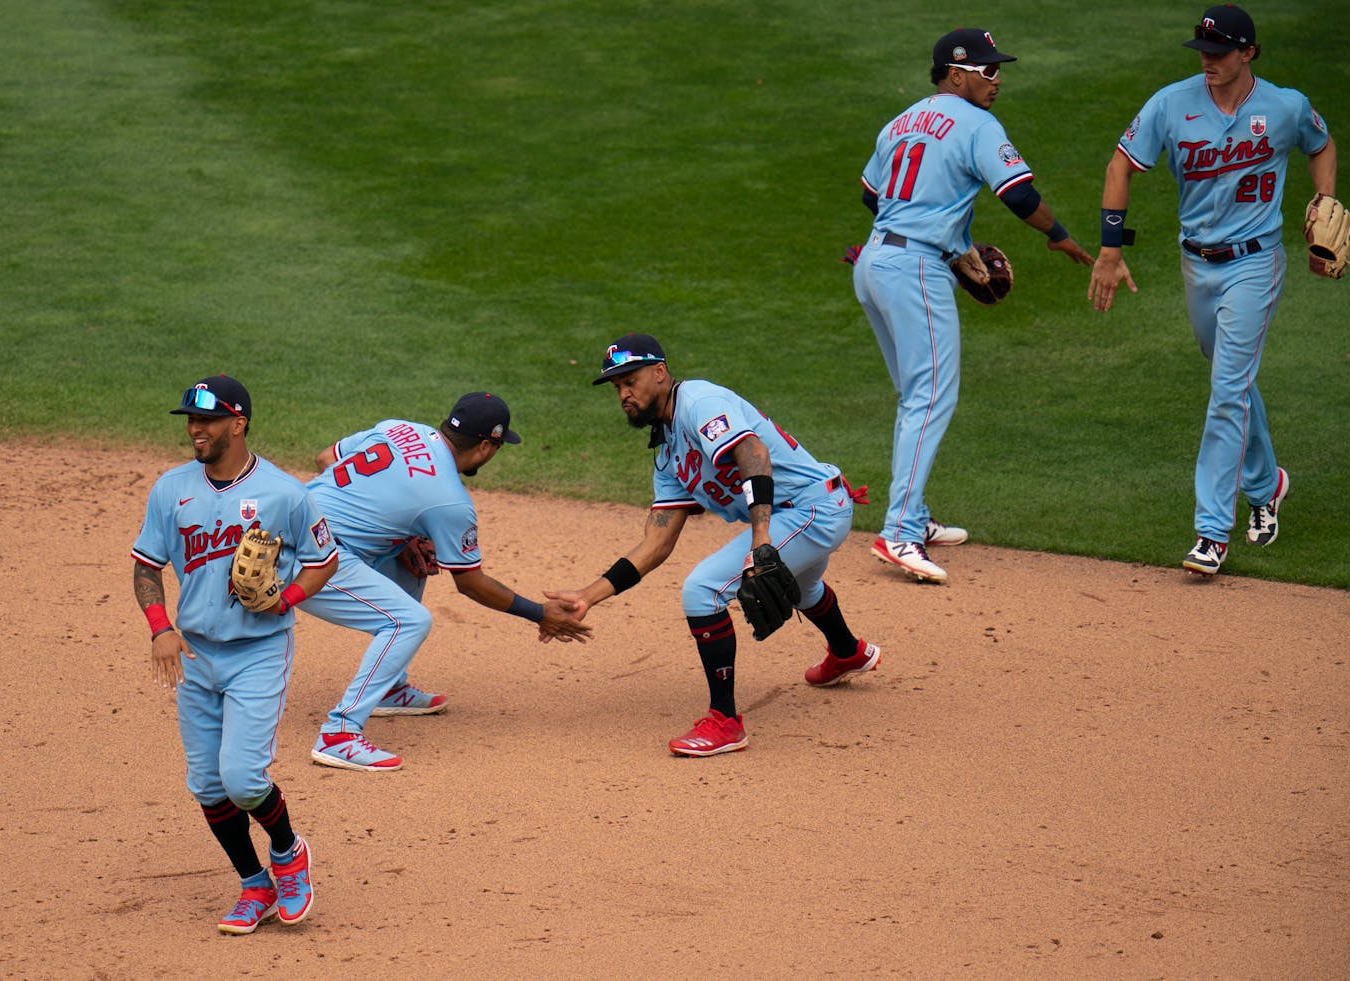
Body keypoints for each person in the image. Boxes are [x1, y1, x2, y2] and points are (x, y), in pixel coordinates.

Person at [1087, 4, 1336, 576]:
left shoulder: (1284, 106)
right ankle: (1266, 482)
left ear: (1248, 53)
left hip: (1255, 263)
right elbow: (1120, 166)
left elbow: (1320, 144)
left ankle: (1211, 533)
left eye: (1219, 53)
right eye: (1202, 52)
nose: (1208, 62)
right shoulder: (1171, 104)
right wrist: (1110, 248)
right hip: (1197, 265)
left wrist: (1323, 202)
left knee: (1227, 389)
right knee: (1231, 376)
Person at [546, 334, 881, 758]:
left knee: (702, 590)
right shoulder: (667, 453)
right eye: (616, 388)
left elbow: (752, 451)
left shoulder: (699, 402)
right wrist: (587, 596)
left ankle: (725, 721)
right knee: (803, 588)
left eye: (630, 381)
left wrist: (761, 542)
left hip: (811, 509)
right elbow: (656, 544)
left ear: (660, 373)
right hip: (800, 511)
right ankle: (848, 652)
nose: (624, 395)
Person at [850, 28, 1092, 583]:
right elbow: (1019, 195)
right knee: (930, 396)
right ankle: (901, 534)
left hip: (874, 264)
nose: (997, 78)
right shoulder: (979, 125)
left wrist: (940, 237)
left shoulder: (901, 121)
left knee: (916, 394)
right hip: (913, 270)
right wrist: (1057, 235)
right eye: (987, 70)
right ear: (955, 74)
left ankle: (914, 515)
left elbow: (871, 194)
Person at [131, 375, 339, 935]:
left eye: (207, 421)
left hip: (258, 651)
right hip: (196, 655)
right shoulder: (171, 489)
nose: (195, 430)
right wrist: (160, 628)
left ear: (238, 424)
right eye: (191, 421)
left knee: (244, 779)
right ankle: (254, 884)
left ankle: (289, 854)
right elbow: (147, 566)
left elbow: (325, 559)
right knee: (206, 785)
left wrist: (287, 600)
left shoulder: (285, 494)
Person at [300, 392, 592, 771]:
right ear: (487, 446)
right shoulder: (450, 501)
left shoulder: (399, 428)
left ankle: (389, 687)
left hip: (287, 526)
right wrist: (539, 613)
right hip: (308, 560)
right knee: (408, 620)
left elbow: (325, 460)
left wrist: (400, 534)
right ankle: (339, 733)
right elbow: (470, 583)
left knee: (414, 554)